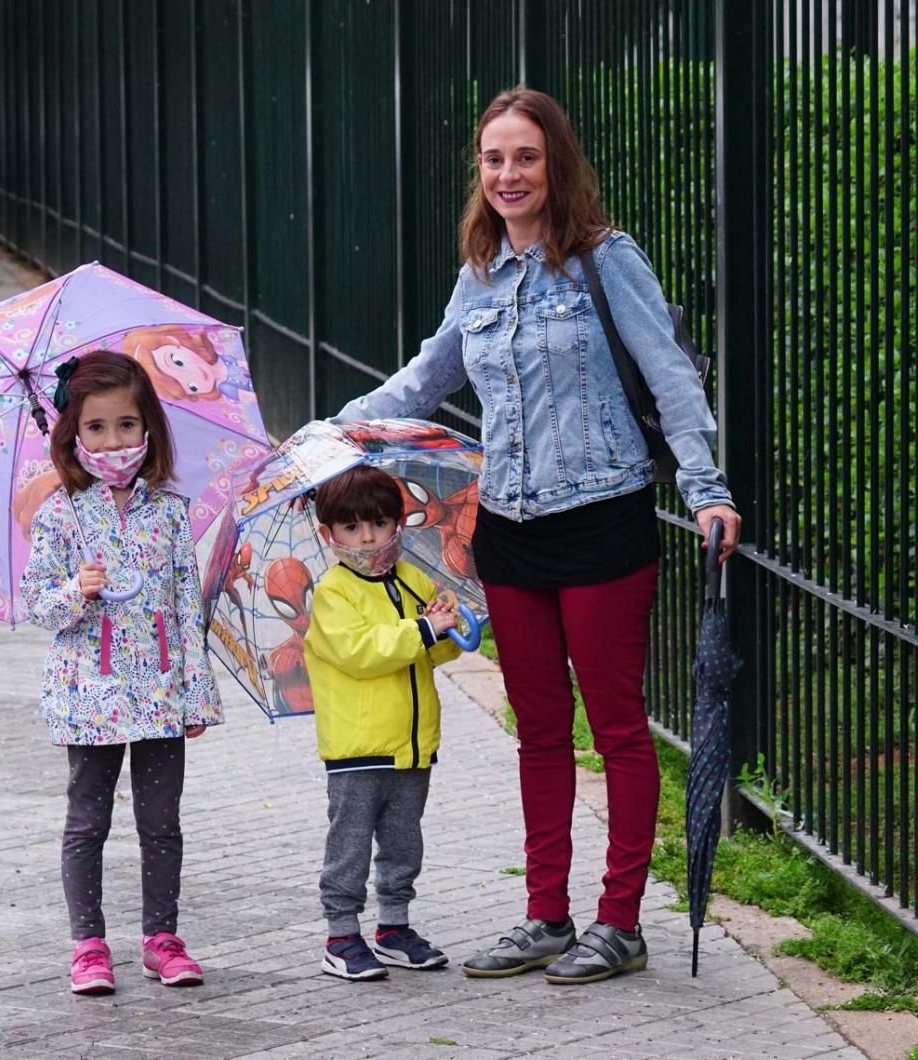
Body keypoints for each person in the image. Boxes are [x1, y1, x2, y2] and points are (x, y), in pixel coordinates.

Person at [336, 86, 741, 985]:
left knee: (619, 727)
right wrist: (333, 433)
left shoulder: (605, 259)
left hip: (603, 520)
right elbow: (423, 377)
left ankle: (621, 921)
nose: (509, 174)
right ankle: (546, 915)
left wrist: (708, 490)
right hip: (510, 529)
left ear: (555, 163)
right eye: (493, 160)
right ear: (479, 174)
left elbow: (671, 379)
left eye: (525, 156)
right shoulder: (480, 275)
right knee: (541, 731)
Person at [20, 350, 223, 995]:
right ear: (73, 434)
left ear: (149, 429)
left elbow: (188, 605)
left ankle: (161, 938)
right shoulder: (60, 513)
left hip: (161, 692)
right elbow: (39, 604)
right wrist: (76, 592)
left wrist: (197, 694)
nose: (114, 440)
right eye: (98, 427)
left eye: (127, 425)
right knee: (89, 821)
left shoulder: (168, 510)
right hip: (91, 696)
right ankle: (88, 945)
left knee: (162, 822)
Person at [303, 464, 462, 981]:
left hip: (412, 745)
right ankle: (341, 934)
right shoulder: (334, 592)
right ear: (330, 535)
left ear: (399, 523)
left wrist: (445, 626)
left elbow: (433, 657)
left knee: (403, 842)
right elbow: (360, 653)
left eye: (377, 523)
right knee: (348, 843)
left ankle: (394, 927)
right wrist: (421, 627)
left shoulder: (412, 580)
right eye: (351, 527)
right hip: (358, 747)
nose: (366, 536)